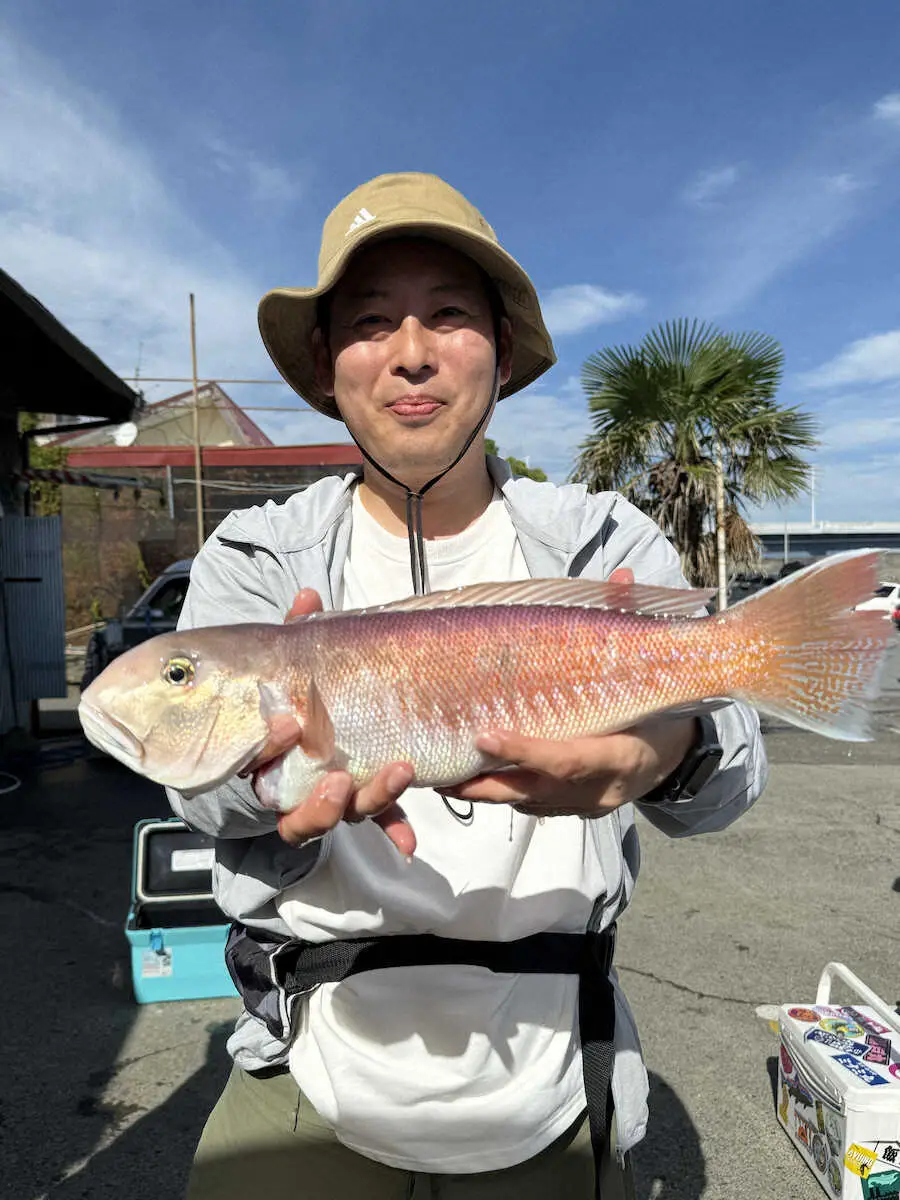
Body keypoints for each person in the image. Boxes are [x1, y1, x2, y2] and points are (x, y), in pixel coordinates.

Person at [168, 172, 767, 1199]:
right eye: (369, 321)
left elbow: (731, 781)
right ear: (325, 362)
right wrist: (269, 780)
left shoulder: (601, 541)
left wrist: (659, 754)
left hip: (551, 1068)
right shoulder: (260, 557)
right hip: (306, 1064)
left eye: (448, 314)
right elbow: (192, 785)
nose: (411, 350)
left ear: (500, 348)